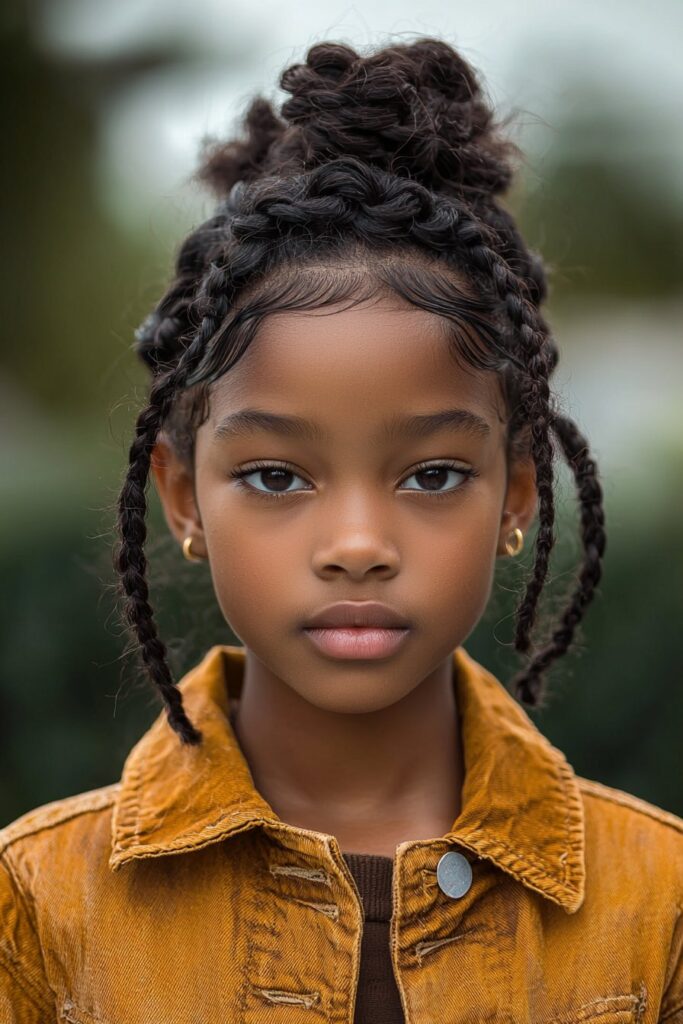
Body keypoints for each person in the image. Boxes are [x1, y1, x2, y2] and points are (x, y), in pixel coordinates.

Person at [1, 37, 681, 1024]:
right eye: (276, 475)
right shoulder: (38, 907)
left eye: (432, 473)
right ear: (184, 496)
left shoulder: (657, 906)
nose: (357, 541)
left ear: (518, 498)